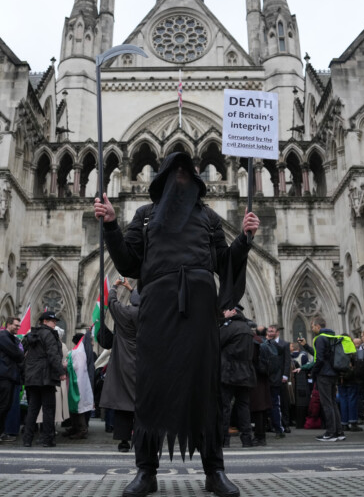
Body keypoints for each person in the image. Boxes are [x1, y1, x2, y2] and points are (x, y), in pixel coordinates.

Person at [95, 151, 258, 497]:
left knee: (206, 389)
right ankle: (146, 472)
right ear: (164, 177)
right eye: (176, 170)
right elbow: (128, 262)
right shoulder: (144, 216)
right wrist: (110, 225)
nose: (181, 176)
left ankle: (214, 472)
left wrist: (244, 239)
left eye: (188, 171)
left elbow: (224, 263)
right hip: (158, 312)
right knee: (152, 387)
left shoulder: (209, 218)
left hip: (200, 314)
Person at [98, 278, 140, 453]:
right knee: (142, 403)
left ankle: (123, 441)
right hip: (144, 363)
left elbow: (112, 302)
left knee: (123, 404)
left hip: (124, 362)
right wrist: (133, 290)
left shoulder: (125, 313)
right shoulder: (151, 313)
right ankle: (141, 438)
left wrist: (115, 287)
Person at [23, 310, 66, 448]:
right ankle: (47, 439)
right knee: (48, 409)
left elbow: (23, 354)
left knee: (33, 409)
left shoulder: (31, 335)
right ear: (45, 321)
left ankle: (27, 439)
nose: (55, 324)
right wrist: (61, 371)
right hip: (46, 377)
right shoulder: (49, 334)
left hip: (32, 377)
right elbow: (53, 355)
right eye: (53, 321)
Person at [219, 305, 256, 448]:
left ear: (233, 311)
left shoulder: (229, 327)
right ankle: (247, 439)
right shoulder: (247, 328)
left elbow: (215, 341)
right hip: (246, 372)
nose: (223, 313)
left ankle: (223, 439)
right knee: (243, 407)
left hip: (229, 372)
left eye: (225, 310)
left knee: (224, 407)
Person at [308, 316, 345, 442]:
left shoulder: (320, 338)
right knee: (333, 403)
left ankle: (330, 433)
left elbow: (319, 359)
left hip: (324, 374)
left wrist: (313, 372)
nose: (312, 329)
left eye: (313, 326)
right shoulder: (332, 337)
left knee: (327, 404)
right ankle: (339, 431)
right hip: (334, 373)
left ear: (318, 326)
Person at [0, 317, 23, 444]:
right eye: (16, 325)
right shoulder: (3, 336)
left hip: (10, 375)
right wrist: (19, 353)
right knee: (2, 404)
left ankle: (0, 432)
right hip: (4, 375)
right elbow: (18, 354)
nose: (18, 328)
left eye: (19, 326)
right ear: (8, 325)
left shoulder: (11, 338)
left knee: (6, 405)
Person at [264, 325, 287, 439]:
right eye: (268, 331)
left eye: (272, 331)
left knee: (276, 404)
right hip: (270, 379)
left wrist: (285, 375)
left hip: (275, 378)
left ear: (277, 332)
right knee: (272, 404)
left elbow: (286, 361)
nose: (270, 333)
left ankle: (279, 427)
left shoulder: (280, 345)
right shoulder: (265, 344)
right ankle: (274, 427)